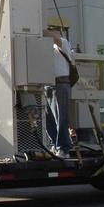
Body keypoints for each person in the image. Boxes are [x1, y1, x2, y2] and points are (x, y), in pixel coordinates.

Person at [44, 24, 75, 157]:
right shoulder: (49, 47)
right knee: (49, 118)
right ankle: (54, 145)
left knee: (60, 118)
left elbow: (53, 36)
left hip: (60, 84)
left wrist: (39, 28)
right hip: (49, 84)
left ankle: (63, 147)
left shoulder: (63, 43)